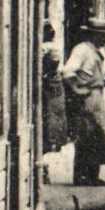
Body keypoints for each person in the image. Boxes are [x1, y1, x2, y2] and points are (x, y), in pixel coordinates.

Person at [60, 18, 105, 186]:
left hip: (95, 97)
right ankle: (82, 176)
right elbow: (67, 72)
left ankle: (92, 176)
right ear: (94, 35)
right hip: (87, 99)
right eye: (103, 36)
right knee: (86, 136)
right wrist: (78, 90)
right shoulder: (82, 50)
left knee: (97, 136)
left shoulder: (94, 50)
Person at [40, 21, 69, 171]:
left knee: (49, 116)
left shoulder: (46, 48)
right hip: (56, 85)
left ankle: (50, 142)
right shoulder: (55, 46)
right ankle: (55, 141)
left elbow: (48, 64)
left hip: (49, 86)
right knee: (55, 115)